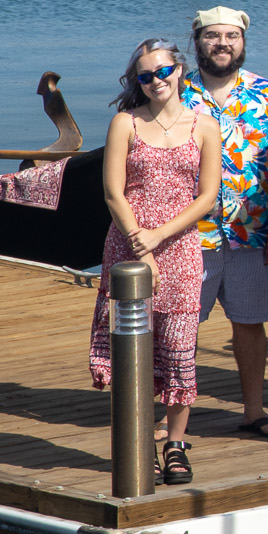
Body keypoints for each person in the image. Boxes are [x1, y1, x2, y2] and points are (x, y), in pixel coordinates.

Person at [90, 39, 221, 485]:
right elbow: (113, 192)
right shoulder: (124, 123)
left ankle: (176, 444)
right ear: (137, 82)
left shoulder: (204, 126)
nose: (156, 81)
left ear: (179, 70)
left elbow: (207, 197)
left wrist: (161, 237)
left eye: (163, 71)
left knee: (180, 349)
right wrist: (140, 243)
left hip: (180, 248)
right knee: (133, 350)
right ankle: (137, 438)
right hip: (128, 247)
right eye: (146, 76)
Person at [181, 7, 268, 442]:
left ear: (243, 42)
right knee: (181, 324)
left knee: (250, 323)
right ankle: (173, 416)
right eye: (213, 36)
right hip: (192, 234)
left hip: (256, 232)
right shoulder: (176, 92)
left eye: (231, 36)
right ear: (197, 42)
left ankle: (253, 411)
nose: (223, 43)